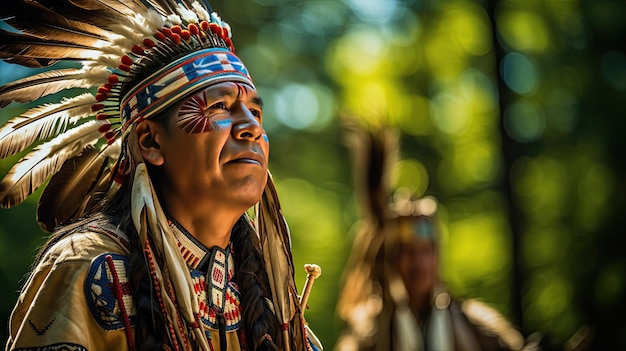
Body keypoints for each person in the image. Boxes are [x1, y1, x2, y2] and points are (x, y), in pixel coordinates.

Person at [0, 1, 321, 350]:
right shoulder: (91, 267)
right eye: (219, 107)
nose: (251, 129)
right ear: (151, 141)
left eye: (256, 112)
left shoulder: (270, 296)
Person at [334, 123, 536, 351]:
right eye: (408, 252)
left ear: (437, 256)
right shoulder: (369, 332)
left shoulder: (472, 325)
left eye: (425, 251)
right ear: (393, 259)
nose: (418, 263)